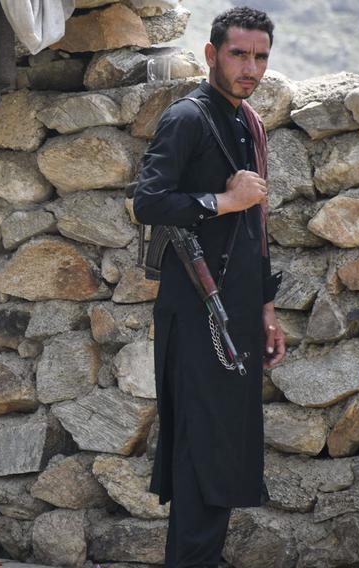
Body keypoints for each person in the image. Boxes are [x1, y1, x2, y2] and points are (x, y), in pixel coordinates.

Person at [131, 6, 287, 567]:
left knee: (225, 447)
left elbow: (255, 228)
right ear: (211, 54)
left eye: (261, 56)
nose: (251, 67)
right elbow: (148, 201)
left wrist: (266, 306)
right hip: (195, 308)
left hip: (240, 309)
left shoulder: (249, 122)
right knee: (200, 444)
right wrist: (221, 200)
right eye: (239, 54)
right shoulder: (187, 119)